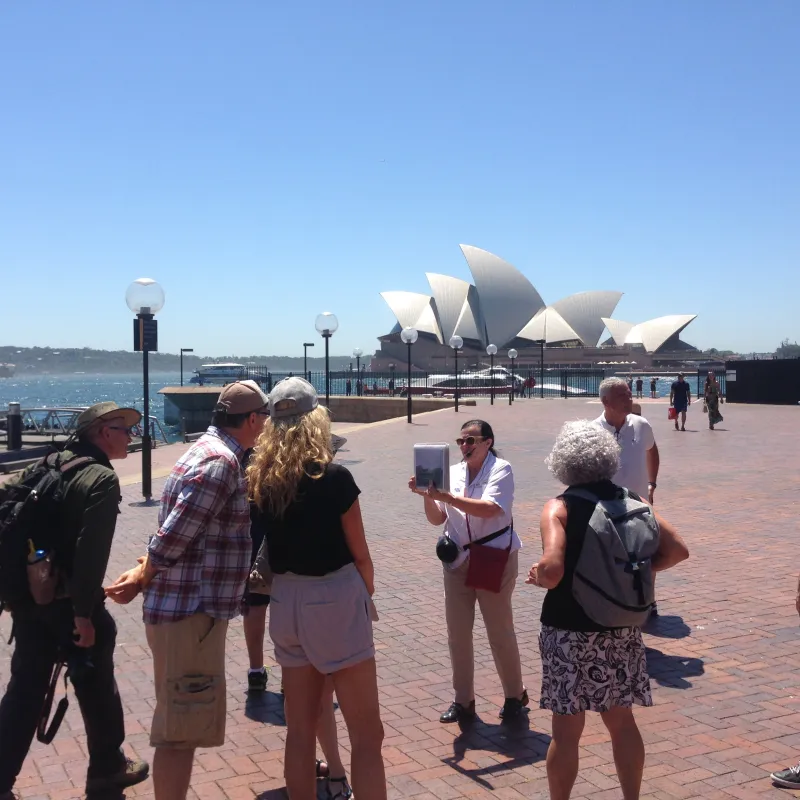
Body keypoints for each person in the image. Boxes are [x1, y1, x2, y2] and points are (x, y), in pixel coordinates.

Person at [105, 380, 269, 800]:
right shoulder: (222, 463)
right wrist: (142, 575)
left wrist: (142, 570)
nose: (267, 427)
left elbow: (174, 533)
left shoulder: (203, 451)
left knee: (183, 722)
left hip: (185, 610)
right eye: (265, 419)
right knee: (181, 727)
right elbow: (175, 536)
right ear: (252, 420)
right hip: (190, 613)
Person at [527, 420, 689, 800]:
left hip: (569, 630)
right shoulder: (634, 501)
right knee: (622, 722)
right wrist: (632, 572)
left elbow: (553, 571)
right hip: (621, 626)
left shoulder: (560, 507)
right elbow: (678, 550)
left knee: (566, 732)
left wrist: (538, 575)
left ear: (562, 462)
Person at [0, 402, 149, 798]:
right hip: (68, 603)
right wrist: (84, 614)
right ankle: (107, 768)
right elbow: (91, 553)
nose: (130, 436)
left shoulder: (48, 464)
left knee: (25, 691)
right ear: (102, 432)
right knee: (96, 678)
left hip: (32, 600)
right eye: (124, 429)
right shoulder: (100, 478)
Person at [247, 377, 386, 800]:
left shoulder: (262, 478)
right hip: (334, 598)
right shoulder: (334, 477)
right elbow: (360, 554)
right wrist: (367, 594)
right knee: (367, 733)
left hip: (286, 598)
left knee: (301, 730)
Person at [409, 419, 528, 724]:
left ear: (487, 442)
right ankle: (463, 700)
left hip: (491, 556)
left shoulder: (501, 469)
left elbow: (489, 508)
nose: (464, 447)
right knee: (457, 633)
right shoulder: (454, 471)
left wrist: (446, 497)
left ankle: (515, 696)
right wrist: (427, 495)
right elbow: (437, 520)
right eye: (461, 441)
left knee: (498, 630)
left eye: (470, 441)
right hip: (458, 559)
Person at [595, 378, 659, 504]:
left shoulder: (641, 424)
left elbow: (652, 450)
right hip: (607, 510)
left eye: (629, 395)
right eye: (621, 395)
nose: (629, 399)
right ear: (605, 401)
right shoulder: (593, 432)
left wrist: (652, 483)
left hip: (640, 507)